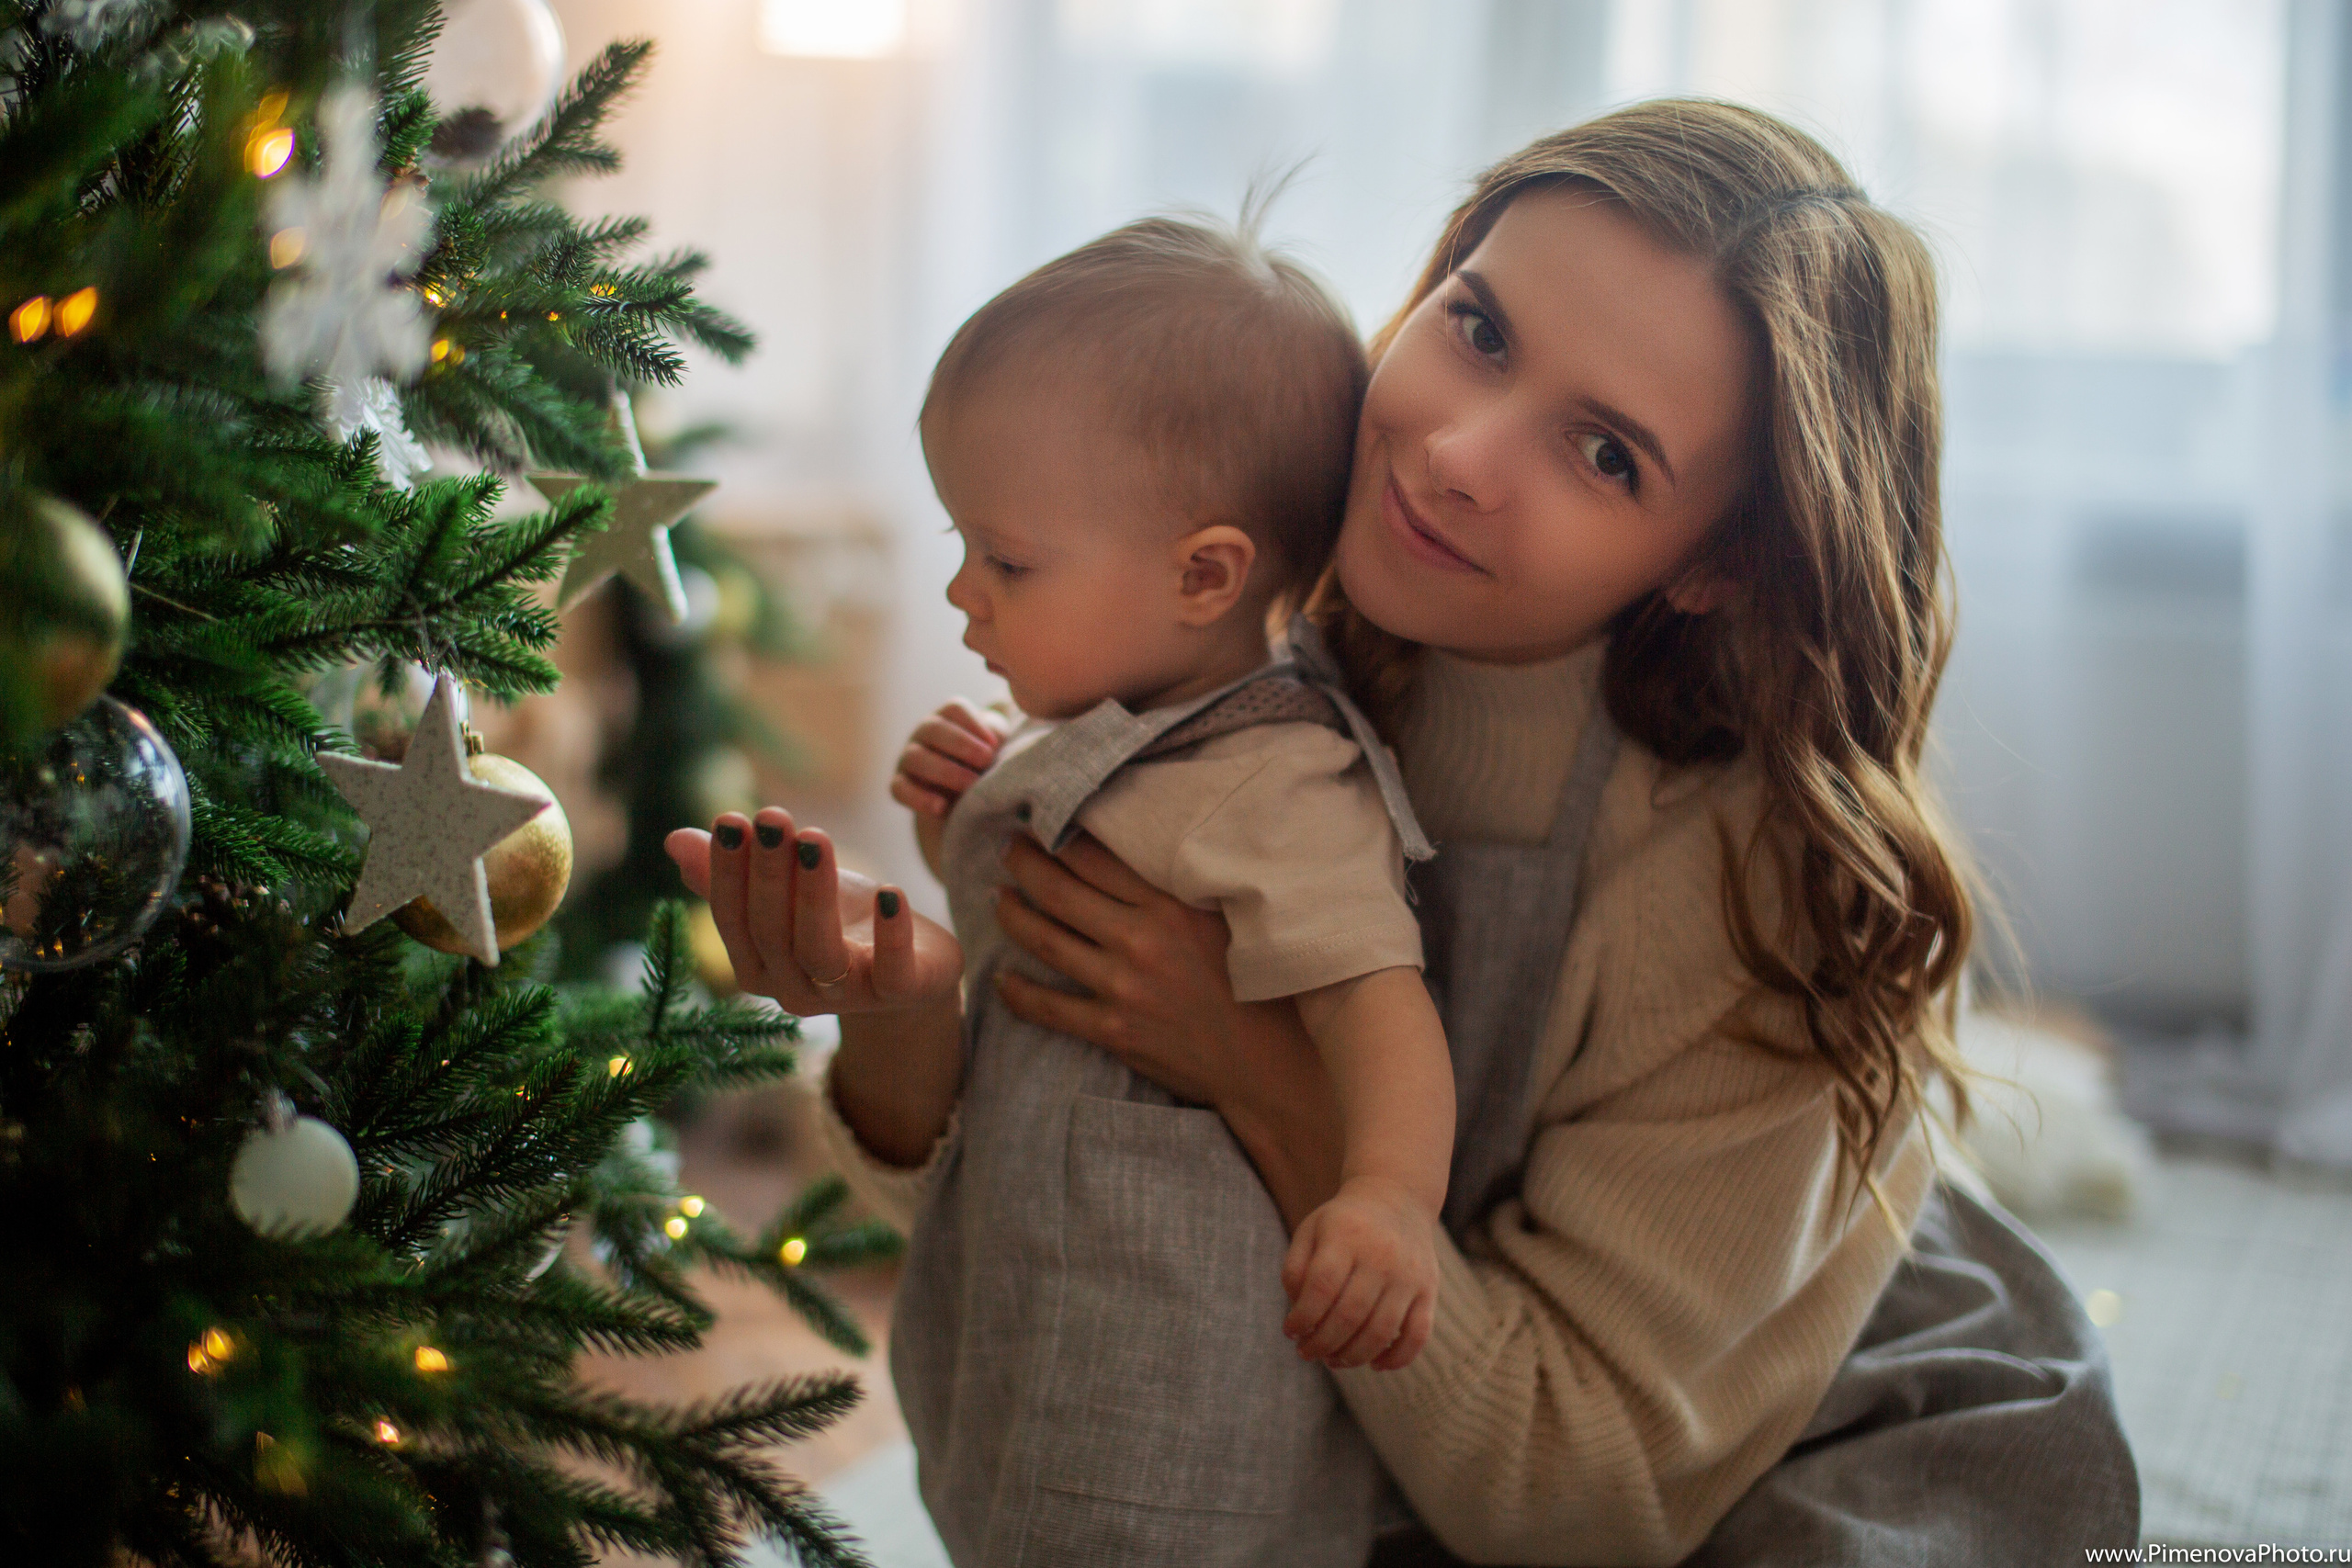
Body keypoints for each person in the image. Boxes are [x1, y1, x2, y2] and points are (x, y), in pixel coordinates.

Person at [677, 99, 2138, 1564]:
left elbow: (1577, 1495)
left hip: (1735, 1427)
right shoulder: (1239, 626)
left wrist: (1263, 1075)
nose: (1454, 453)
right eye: (1482, 329)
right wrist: (905, 1009)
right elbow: (1029, 1183)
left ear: (1718, 565)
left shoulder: (1762, 895)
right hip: (1371, 1408)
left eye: (1607, 455)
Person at [673, 215, 1464, 1566]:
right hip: (1031, 1298)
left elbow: (1376, 1006)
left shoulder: (1276, 781)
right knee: (999, 1502)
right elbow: (1023, 951)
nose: (961, 591)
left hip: (1178, 1365)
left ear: (1204, 574)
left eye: (1010, 561)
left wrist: (1388, 1196)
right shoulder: (1087, 728)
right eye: (961, 541)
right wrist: (954, 832)